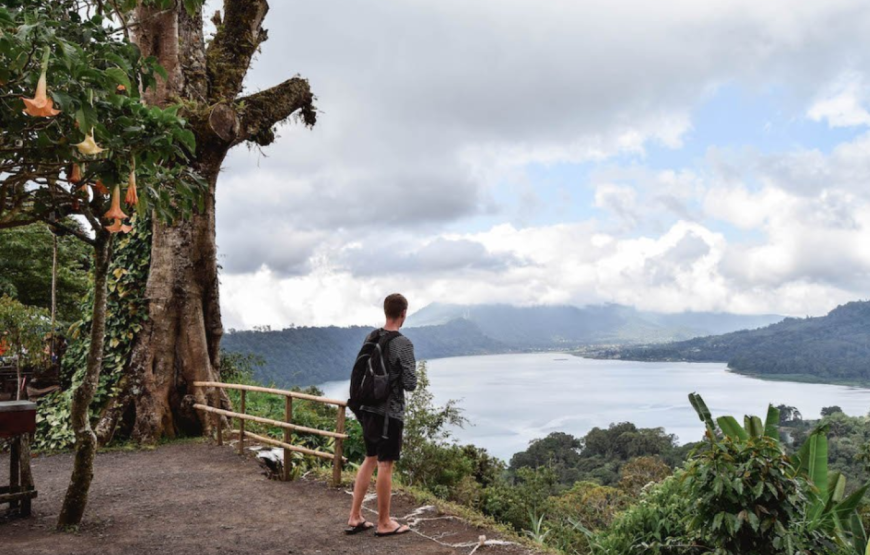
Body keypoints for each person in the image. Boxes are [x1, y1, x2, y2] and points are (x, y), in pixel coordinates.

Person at [346, 293, 417, 537]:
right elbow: (410, 383)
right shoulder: (403, 343)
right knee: (385, 464)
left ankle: (355, 516)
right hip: (389, 413)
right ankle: (385, 522)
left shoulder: (372, 336)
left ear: (386, 311)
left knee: (370, 458)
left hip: (366, 409)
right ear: (403, 313)